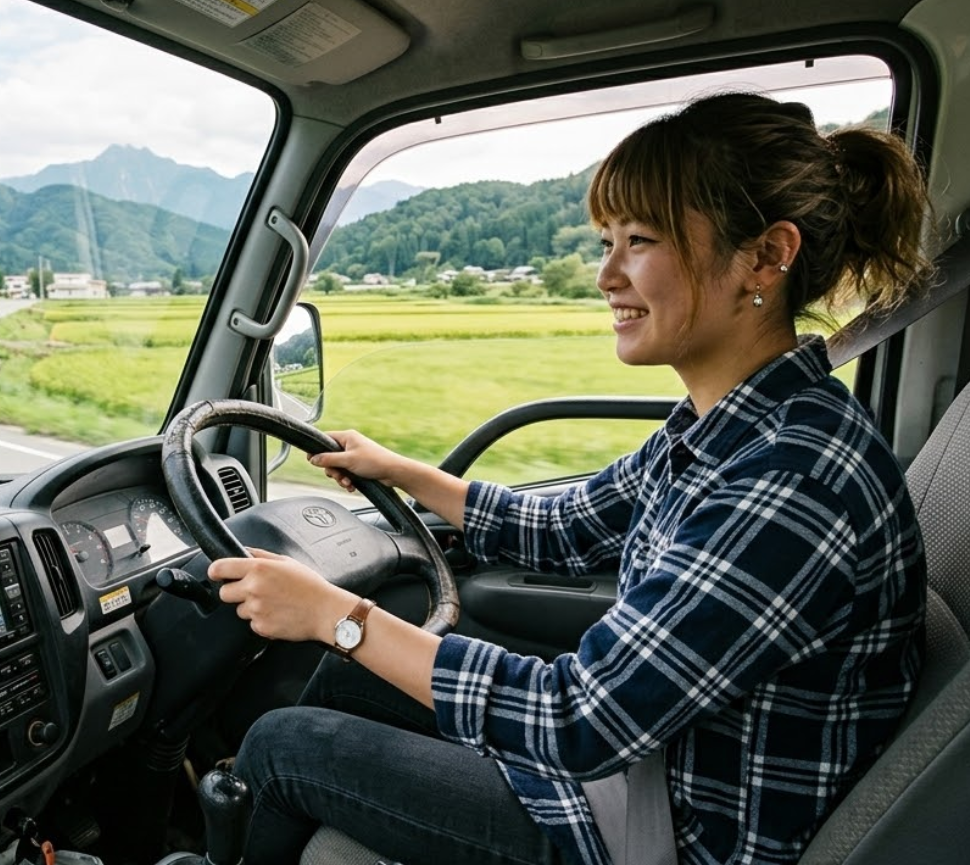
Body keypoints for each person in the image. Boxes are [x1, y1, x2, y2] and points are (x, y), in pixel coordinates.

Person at [207, 91, 931, 865]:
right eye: (607, 241)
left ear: (764, 256)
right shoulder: (727, 428)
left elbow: (579, 719)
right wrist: (401, 470)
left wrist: (337, 614)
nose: (606, 274)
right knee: (348, 676)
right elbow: (565, 525)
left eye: (639, 240)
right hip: (646, 774)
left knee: (282, 744)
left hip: (663, 835)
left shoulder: (792, 479)